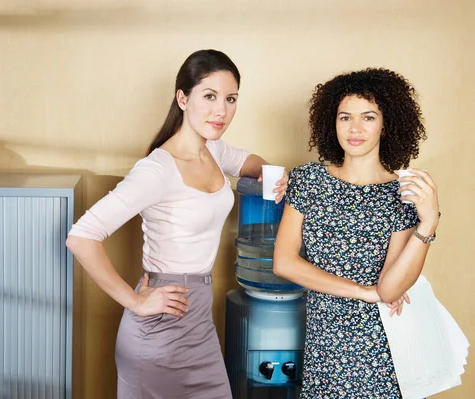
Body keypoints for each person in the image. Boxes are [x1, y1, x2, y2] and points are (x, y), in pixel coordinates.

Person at [66, 49, 288, 399]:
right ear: (183, 98)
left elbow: (248, 161)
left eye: (231, 99)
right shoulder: (157, 170)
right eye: (210, 96)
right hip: (158, 332)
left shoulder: (213, 150)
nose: (222, 111)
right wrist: (136, 303)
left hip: (199, 324)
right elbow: (81, 237)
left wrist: (272, 174)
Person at [273, 68, 440, 398]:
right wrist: (363, 292)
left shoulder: (402, 194)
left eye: (368, 117)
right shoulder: (307, 181)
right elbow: (284, 263)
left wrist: (428, 224)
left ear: (385, 123)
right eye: (345, 117)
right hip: (324, 348)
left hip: (381, 351)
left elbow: (390, 290)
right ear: (331, 122)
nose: (355, 128)